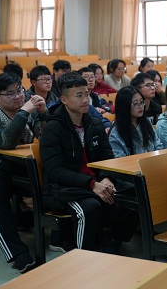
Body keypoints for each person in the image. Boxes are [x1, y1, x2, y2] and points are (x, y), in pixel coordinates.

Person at [40, 73, 137, 253]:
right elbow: (55, 171)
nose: (85, 99)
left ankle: (111, 241)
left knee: (135, 195)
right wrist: (92, 184)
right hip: (64, 189)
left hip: (95, 182)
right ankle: (84, 255)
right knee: (90, 207)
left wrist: (107, 178)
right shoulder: (53, 128)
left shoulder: (94, 123)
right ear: (64, 100)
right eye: (79, 95)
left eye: (86, 94)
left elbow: (107, 156)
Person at [0, 72, 47, 273]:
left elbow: (46, 138)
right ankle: (18, 253)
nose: (18, 96)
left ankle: (61, 237)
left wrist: (42, 113)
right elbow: (3, 142)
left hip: (21, 166)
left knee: (53, 181)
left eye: (20, 90)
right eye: (11, 93)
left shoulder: (28, 111)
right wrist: (24, 112)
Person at [108, 86, 163, 157]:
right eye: (136, 103)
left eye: (141, 102)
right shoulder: (115, 133)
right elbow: (121, 159)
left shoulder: (146, 122)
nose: (140, 106)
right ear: (125, 106)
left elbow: (158, 146)